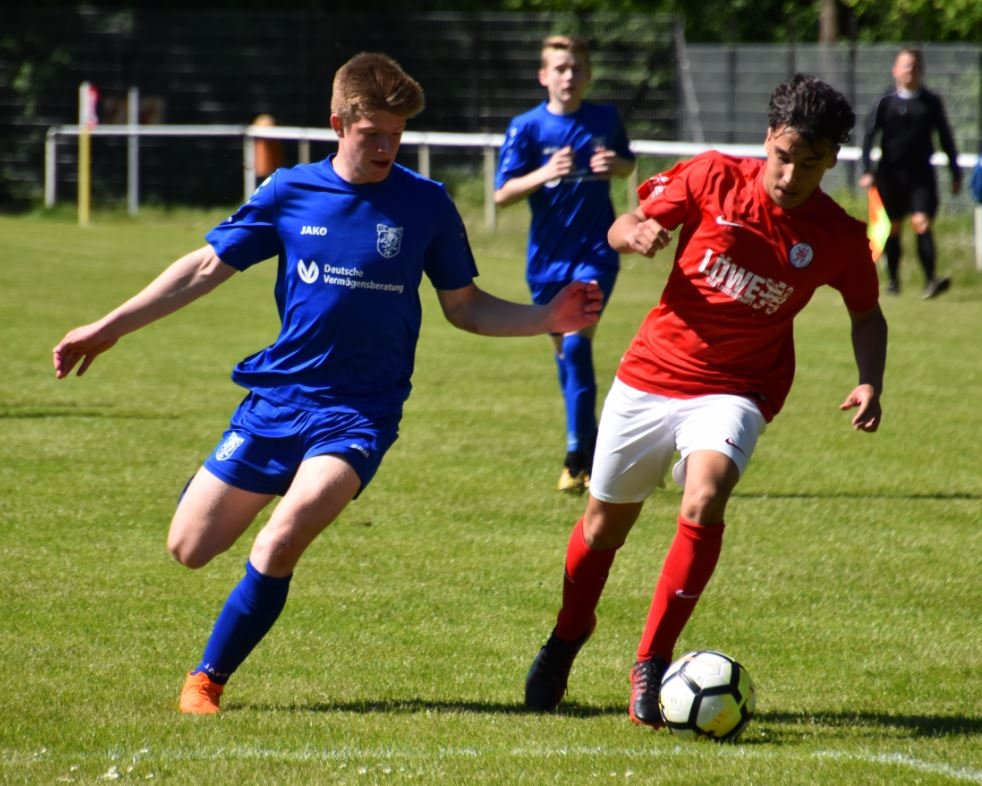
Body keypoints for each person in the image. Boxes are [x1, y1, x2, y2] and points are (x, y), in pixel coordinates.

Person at [52, 52, 603, 715]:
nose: (386, 148)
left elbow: (465, 307)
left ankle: (206, 681)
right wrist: (109, 327)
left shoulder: (426, 204)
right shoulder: (289, 191)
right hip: (278, 400)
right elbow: (203, 268)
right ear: (338, 124)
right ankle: (233, 481)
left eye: (396, 135)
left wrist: (546, 317)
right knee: (189, 548)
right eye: (373, 134)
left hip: (360, 414)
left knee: (280, 539)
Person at [523, 74, 888, 729]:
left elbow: (867, 314)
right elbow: (626, 222)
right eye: (783, 157)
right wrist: (633, 235)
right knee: (603, 529)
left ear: (832, 160)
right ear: (767, 140)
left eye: (809, 164)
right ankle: (568, 634)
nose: (790, 176)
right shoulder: (713, 176)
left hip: (737, 389)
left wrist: (870, 380)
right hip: (651, 374)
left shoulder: (837, 236)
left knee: (706, 493)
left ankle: (651, 663)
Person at [494, 35, 636, 493]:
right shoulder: (526, 128)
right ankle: (593, 449)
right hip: (546, 261)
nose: (569, 75)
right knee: (564, 354)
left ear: (588, 75)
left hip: (596, 253)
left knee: (575, 348)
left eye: (576, 68)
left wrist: (615, 165)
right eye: (560, 68)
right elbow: (502, 193)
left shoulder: (605, 118)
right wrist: (544, 172)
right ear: (544, 76)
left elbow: (627, 164)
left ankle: (578, 457)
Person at [859, 48, 961, 299]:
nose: (910, 70)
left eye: (914, 65)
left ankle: (931, 280)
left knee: (921, 222)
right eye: (905, 65)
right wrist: (867, 169)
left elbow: (945, 137)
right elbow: (869, 136)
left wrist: (955, 172)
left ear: (921, 69)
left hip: (921, 175)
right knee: (894, 227)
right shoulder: (885, 101)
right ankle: (894, 282)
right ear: (895, 69)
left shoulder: (930, 102)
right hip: (890, 174)